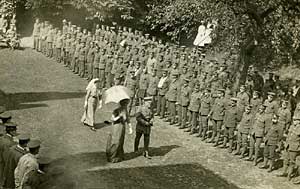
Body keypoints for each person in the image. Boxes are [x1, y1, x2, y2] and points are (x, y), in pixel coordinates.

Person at [106, 99, 133, 163]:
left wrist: (130, 127)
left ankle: (119, 155)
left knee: (121, 140)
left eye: (126, 104)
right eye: (125, 104)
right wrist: (119, 117)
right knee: (115, 141)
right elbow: (112, 119)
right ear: (122, 104)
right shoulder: (116, 110)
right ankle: (112, 156)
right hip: (116, 127)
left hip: (122, 127)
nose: (126, 106)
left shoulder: (125, 110)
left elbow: (128, 119)